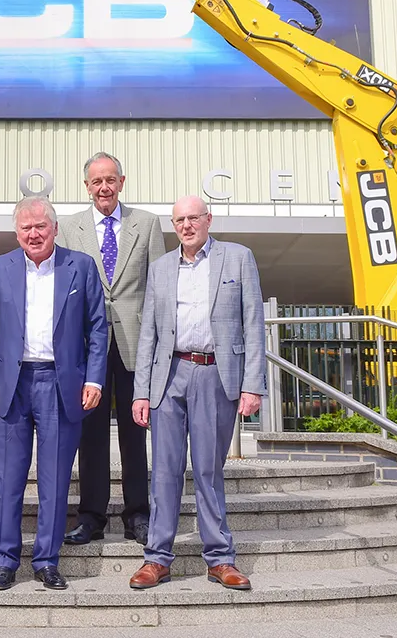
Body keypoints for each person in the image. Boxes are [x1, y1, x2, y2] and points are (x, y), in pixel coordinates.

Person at [127, 195, 266, 592]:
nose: (186, 225)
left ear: (208, 219)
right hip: (168, 375)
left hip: (214, 375)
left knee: (208, 470)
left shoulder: (238, 257)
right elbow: (149, 334)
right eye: (179, 220)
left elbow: (253, 322)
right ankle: (157, 559)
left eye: (193, 218)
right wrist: (140, 393)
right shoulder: (161, 268)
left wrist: (252, 384)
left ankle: (220, 559)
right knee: (165, 473)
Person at [0, 197, 108, 591]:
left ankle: (47, 560)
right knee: (6, 477)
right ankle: (3, 561)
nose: (33, 234)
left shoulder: (81, 266)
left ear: (54, 229)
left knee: (54, 479)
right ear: (16, 231)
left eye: (40, 226)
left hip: (60, 383)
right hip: (12, 385)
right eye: (25, 228)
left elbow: (98, 329)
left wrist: (94, 379)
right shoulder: (0, 268)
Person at [58, 152, 164, 547]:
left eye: (110, 180)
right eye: (96, 181)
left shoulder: (148, 225)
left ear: (122, 181)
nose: (104, 187)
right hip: (88, 349)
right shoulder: (69, 229)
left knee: (135, 433)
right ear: (87, 186)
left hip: (136, 344)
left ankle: (138, 513)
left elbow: (158, 290)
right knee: (91, 433)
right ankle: (91, 516)